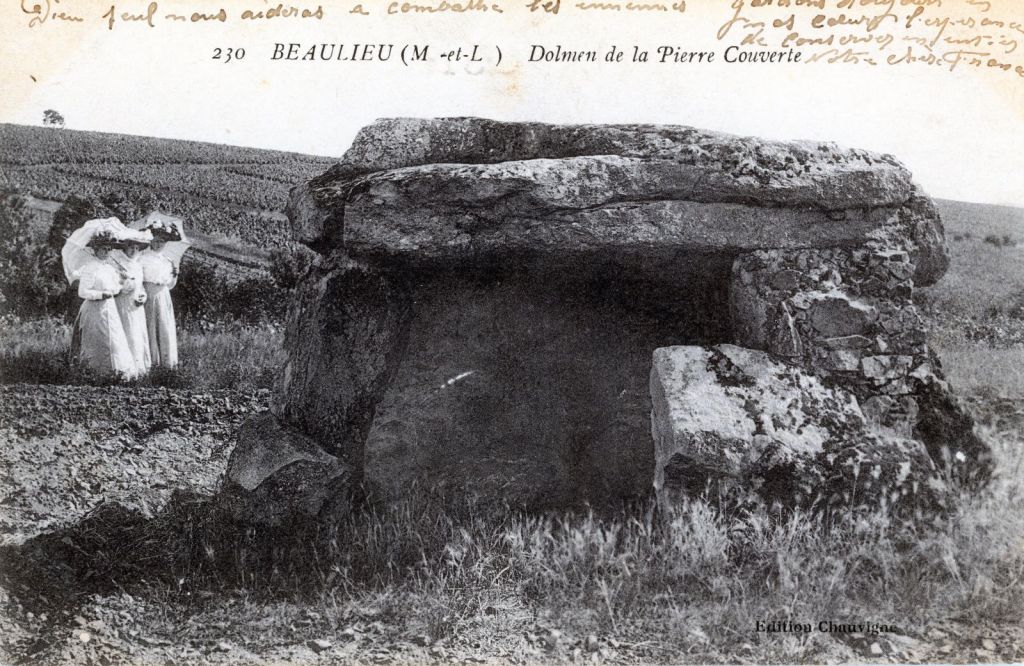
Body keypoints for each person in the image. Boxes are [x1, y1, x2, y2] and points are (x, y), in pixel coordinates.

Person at [74, 232, 137, 378]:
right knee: (97, 342)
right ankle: (94, 374)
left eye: (109, 249)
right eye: (103, 249)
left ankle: (116, 374)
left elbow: (116, 288)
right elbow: (83, 292)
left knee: (114, 341)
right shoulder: (90, 267)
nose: (107, 252)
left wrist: (124, 281)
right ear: (95, 250)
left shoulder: (110, 268)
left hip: (109, 308)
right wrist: (101, 294)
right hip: (94, 310)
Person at [113, 234, 152, 376]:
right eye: (130, 247)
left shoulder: (138, 265)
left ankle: (137, 370)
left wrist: (143, 296)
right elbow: (115, 287)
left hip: (136, 307)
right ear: (125, 247)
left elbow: (141, 286)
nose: (133, 250)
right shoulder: (117, 263)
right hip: (122, 303)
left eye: (137, 248)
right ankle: (125, 370)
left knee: (136, 335)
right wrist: (125, 283)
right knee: (126, 333)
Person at [138, 236, 180, 368]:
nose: (158, 244)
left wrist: (174, 275)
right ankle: (151, 360)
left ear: (166, 243)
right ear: (150, 241)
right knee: (150, 325)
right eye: (155, 241)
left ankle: (166, 361)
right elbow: (139, 280)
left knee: (164, 325)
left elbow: (171, 285)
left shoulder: (168, 261)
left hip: (163, 294)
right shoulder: (142, 258)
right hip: (149, 293)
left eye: (161, 241)